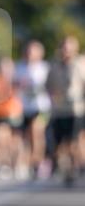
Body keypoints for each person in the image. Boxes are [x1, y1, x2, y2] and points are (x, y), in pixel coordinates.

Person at [46, 35, 85, 185]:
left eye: (69, 47)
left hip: (76, 109)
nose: (66, 50)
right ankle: (66, 168)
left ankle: (76, 166)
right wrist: (53, 97)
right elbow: (48, 85)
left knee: (74, 141)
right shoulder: (54, 65)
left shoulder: (80, 63)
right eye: (64, 47)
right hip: (59, 110)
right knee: (60, 142)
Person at [14, 40, 51, 179]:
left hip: (41, 107)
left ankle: (38, 162)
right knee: (26, 137)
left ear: (40, 53)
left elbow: (52, 86)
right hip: (24, 107)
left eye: (33, 51)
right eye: (28, 51)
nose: (30, 54)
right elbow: (14, 85)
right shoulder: (19, 67)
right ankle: (27, 162)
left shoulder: (45, 67)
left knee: (37, 132)